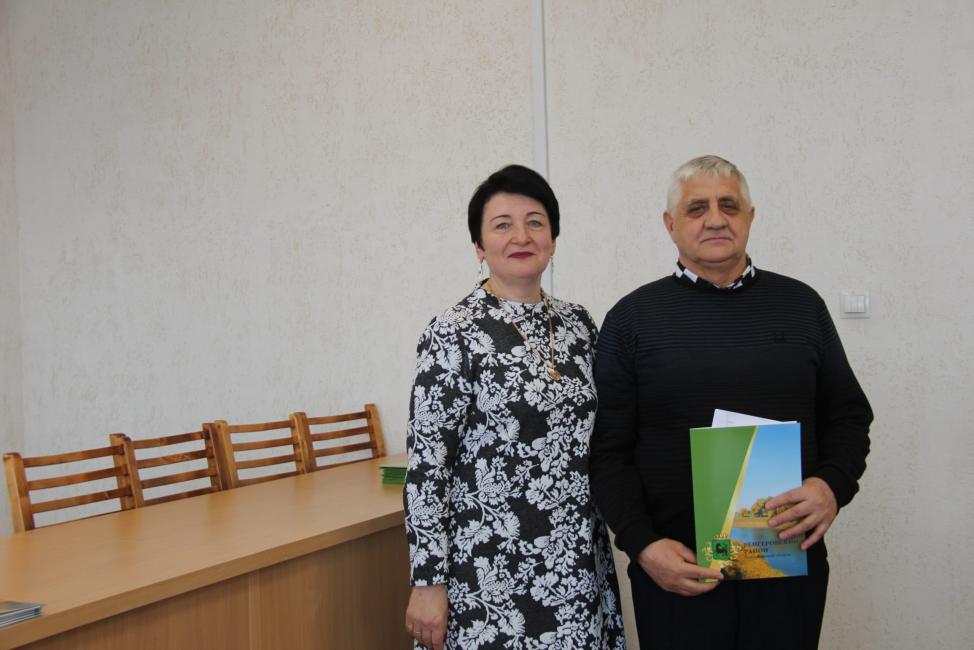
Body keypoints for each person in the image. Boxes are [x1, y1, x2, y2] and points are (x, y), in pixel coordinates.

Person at [591, 155, 872, 649]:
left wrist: (831, 486)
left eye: (729, 205)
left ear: (750, 217)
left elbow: (849, 417)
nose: (716, 219)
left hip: (786, 567)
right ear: (670, 224)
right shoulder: (631, 320)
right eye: (697, 208)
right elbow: (607, 451)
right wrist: (643, 545)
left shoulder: (802, 306)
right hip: (676, 573)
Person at [403, 164, 626, 650]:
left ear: (553, 239)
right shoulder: (453, 332)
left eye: (535, 222)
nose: (521, 236)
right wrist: (427, 581)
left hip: (574, 562)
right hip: (487, 568)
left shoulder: (579, 324)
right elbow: (427, 466)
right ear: (479, 246)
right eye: (502, 225)